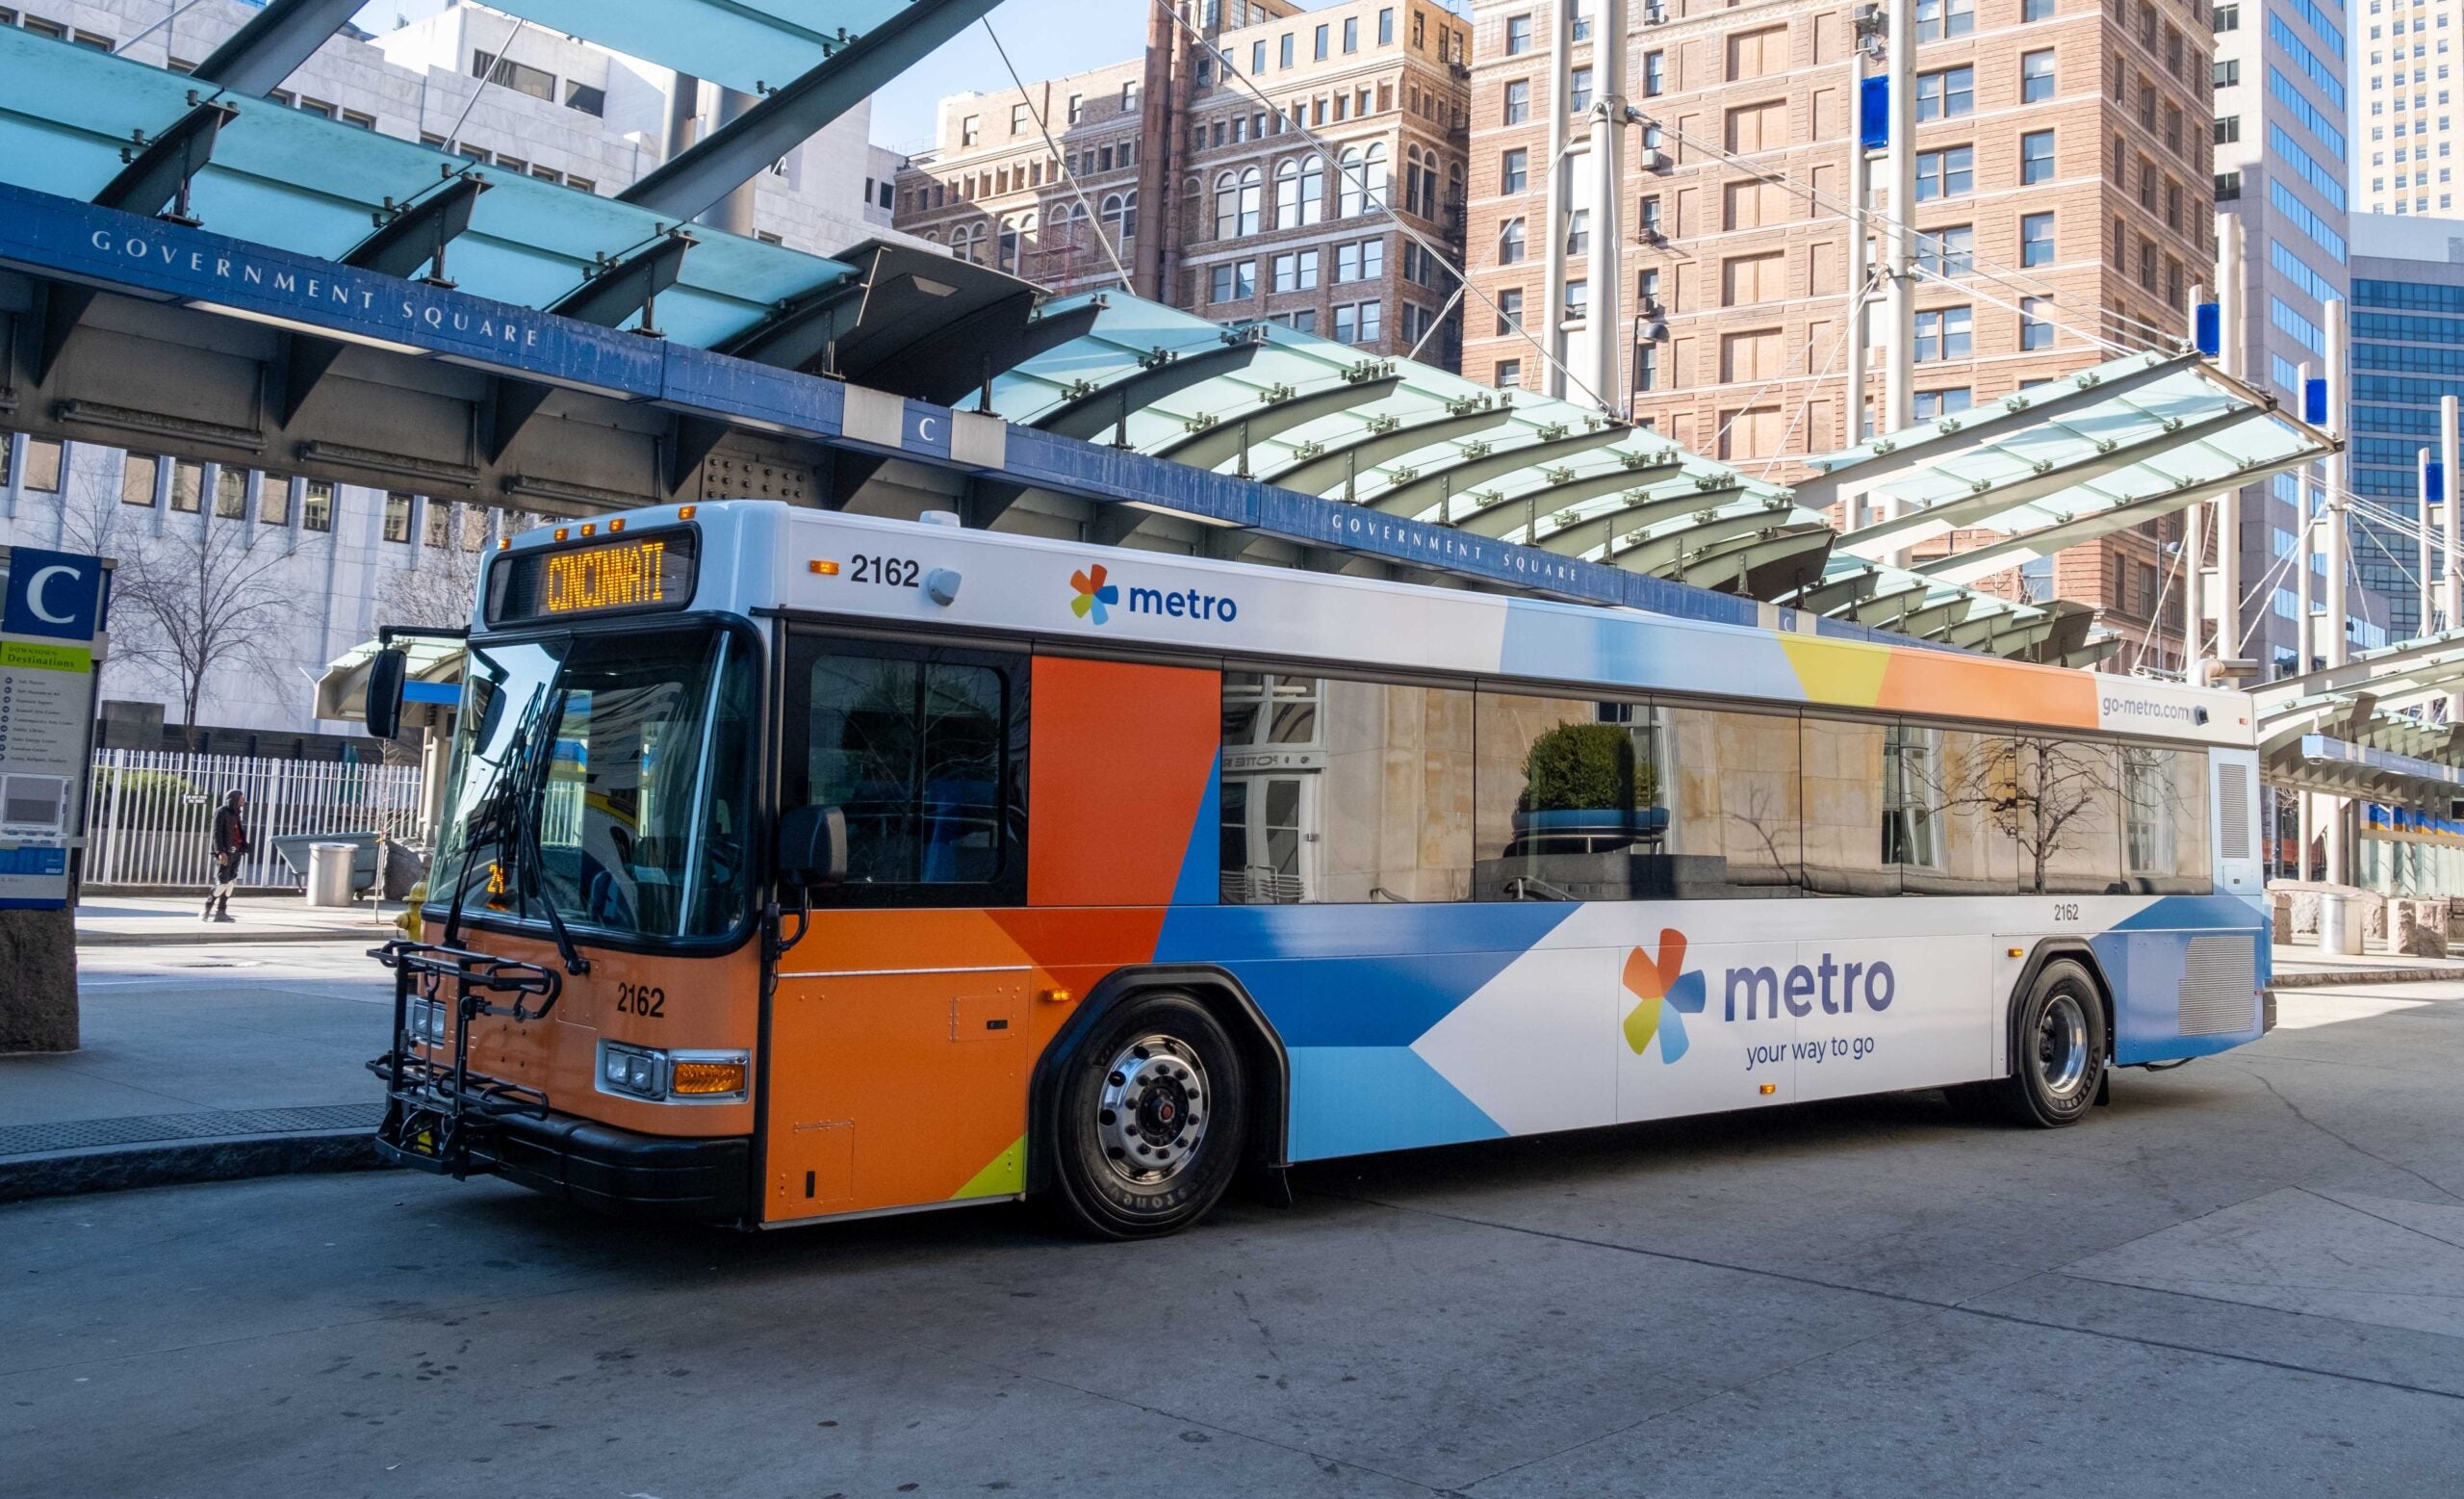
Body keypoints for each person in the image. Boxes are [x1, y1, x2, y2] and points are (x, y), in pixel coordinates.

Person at [204, 789, 248, 922]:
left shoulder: (235, 814)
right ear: (234, 799)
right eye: (241, 797)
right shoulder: (221, 811)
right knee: (221, 884)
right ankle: (206, 909)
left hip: (236, 852)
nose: (243, 800)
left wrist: (243, 847)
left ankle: (221, 912)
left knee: (230, 883)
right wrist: (220, 852)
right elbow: (216, 833)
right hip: (225, 853)